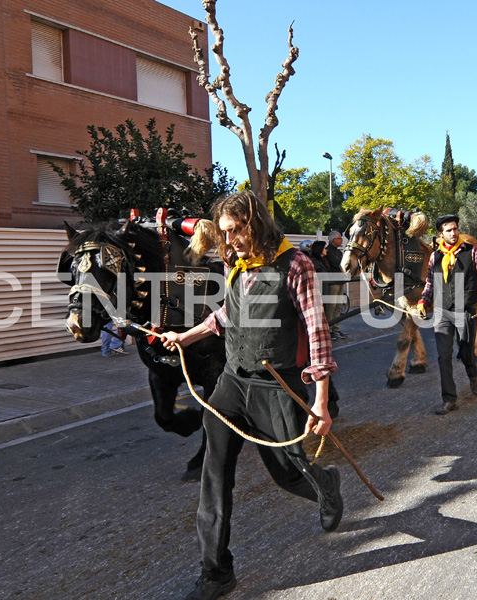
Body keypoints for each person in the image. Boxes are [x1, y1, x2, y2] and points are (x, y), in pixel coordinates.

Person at [159, 191, 343, 600]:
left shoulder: (295, 264)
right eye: (225, 232)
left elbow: (317, 332)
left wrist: (320, 400)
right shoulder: (235, 263)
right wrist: (185, 337)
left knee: (287, 473)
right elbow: (227, 313)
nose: (231, 240)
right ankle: (216, 572)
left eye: (237, 230)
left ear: (255, 222)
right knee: (215, 474)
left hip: (275, 386)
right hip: (232, 381)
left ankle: (325, 485)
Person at [414, 214, 477, 415]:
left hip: (466, 310)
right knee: (443, 356)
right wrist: (423, 302)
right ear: (441, 234)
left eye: (455, 229)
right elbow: (430, 284)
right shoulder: (434, 256)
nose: (454, 233)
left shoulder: (471, 252)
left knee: (466, 352)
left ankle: (473, 375)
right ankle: (449, 399)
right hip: (442, 311)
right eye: (449, 230)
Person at [325, 231, 348, 340]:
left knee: (338, 306)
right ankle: (329, 330)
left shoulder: (338, 252)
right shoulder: (328, 251)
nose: (341, 240)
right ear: (334, 240)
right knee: (331, 306)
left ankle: (336, 329)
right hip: (333, 282)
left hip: (340, 281)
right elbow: (337, 264)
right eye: (339, 238)